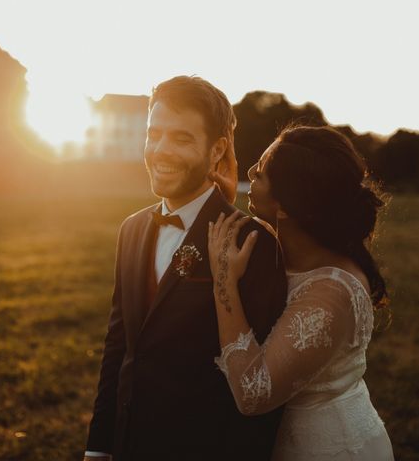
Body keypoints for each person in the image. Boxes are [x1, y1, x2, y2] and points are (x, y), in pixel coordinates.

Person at [83, 75, 288, 460]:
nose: (160, 150)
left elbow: (263, 386)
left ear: (217, 151)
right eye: (154, 133)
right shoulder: (131, 229)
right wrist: (98, 446)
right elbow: (119, 348)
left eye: (182, 138)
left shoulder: (251, 242)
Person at [208, 126, 395, 460]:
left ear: (286, 207)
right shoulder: (294, 251)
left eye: (261, 173)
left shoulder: (331, 293)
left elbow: (254, 393)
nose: (250, 172)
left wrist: (223, 280)